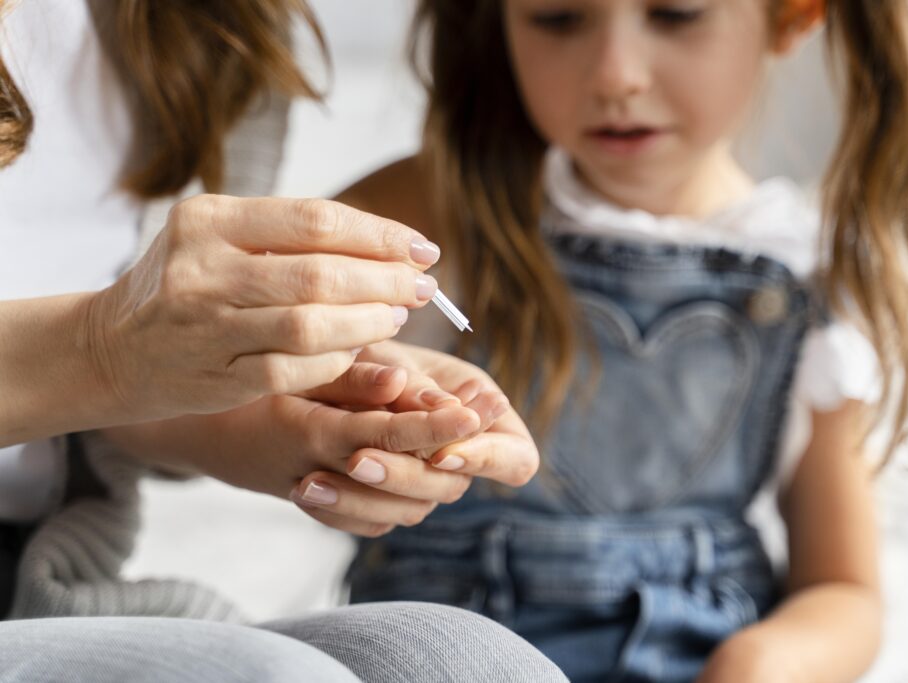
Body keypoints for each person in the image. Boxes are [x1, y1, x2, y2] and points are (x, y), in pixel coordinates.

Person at [336, 0, 908, 680]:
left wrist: (760, 661)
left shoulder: (807, 282)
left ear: (790, 17)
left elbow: (845, 591)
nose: (615, 75)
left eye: (677, 14)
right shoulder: (430, 211)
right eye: (556, 19)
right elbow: (266, 379)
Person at [0, 0, 565, 680]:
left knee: (473, 663)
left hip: (31, 573)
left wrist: (270, 403)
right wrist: (101, 350)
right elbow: (105, 353)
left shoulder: (211, 25)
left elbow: (103, 398)